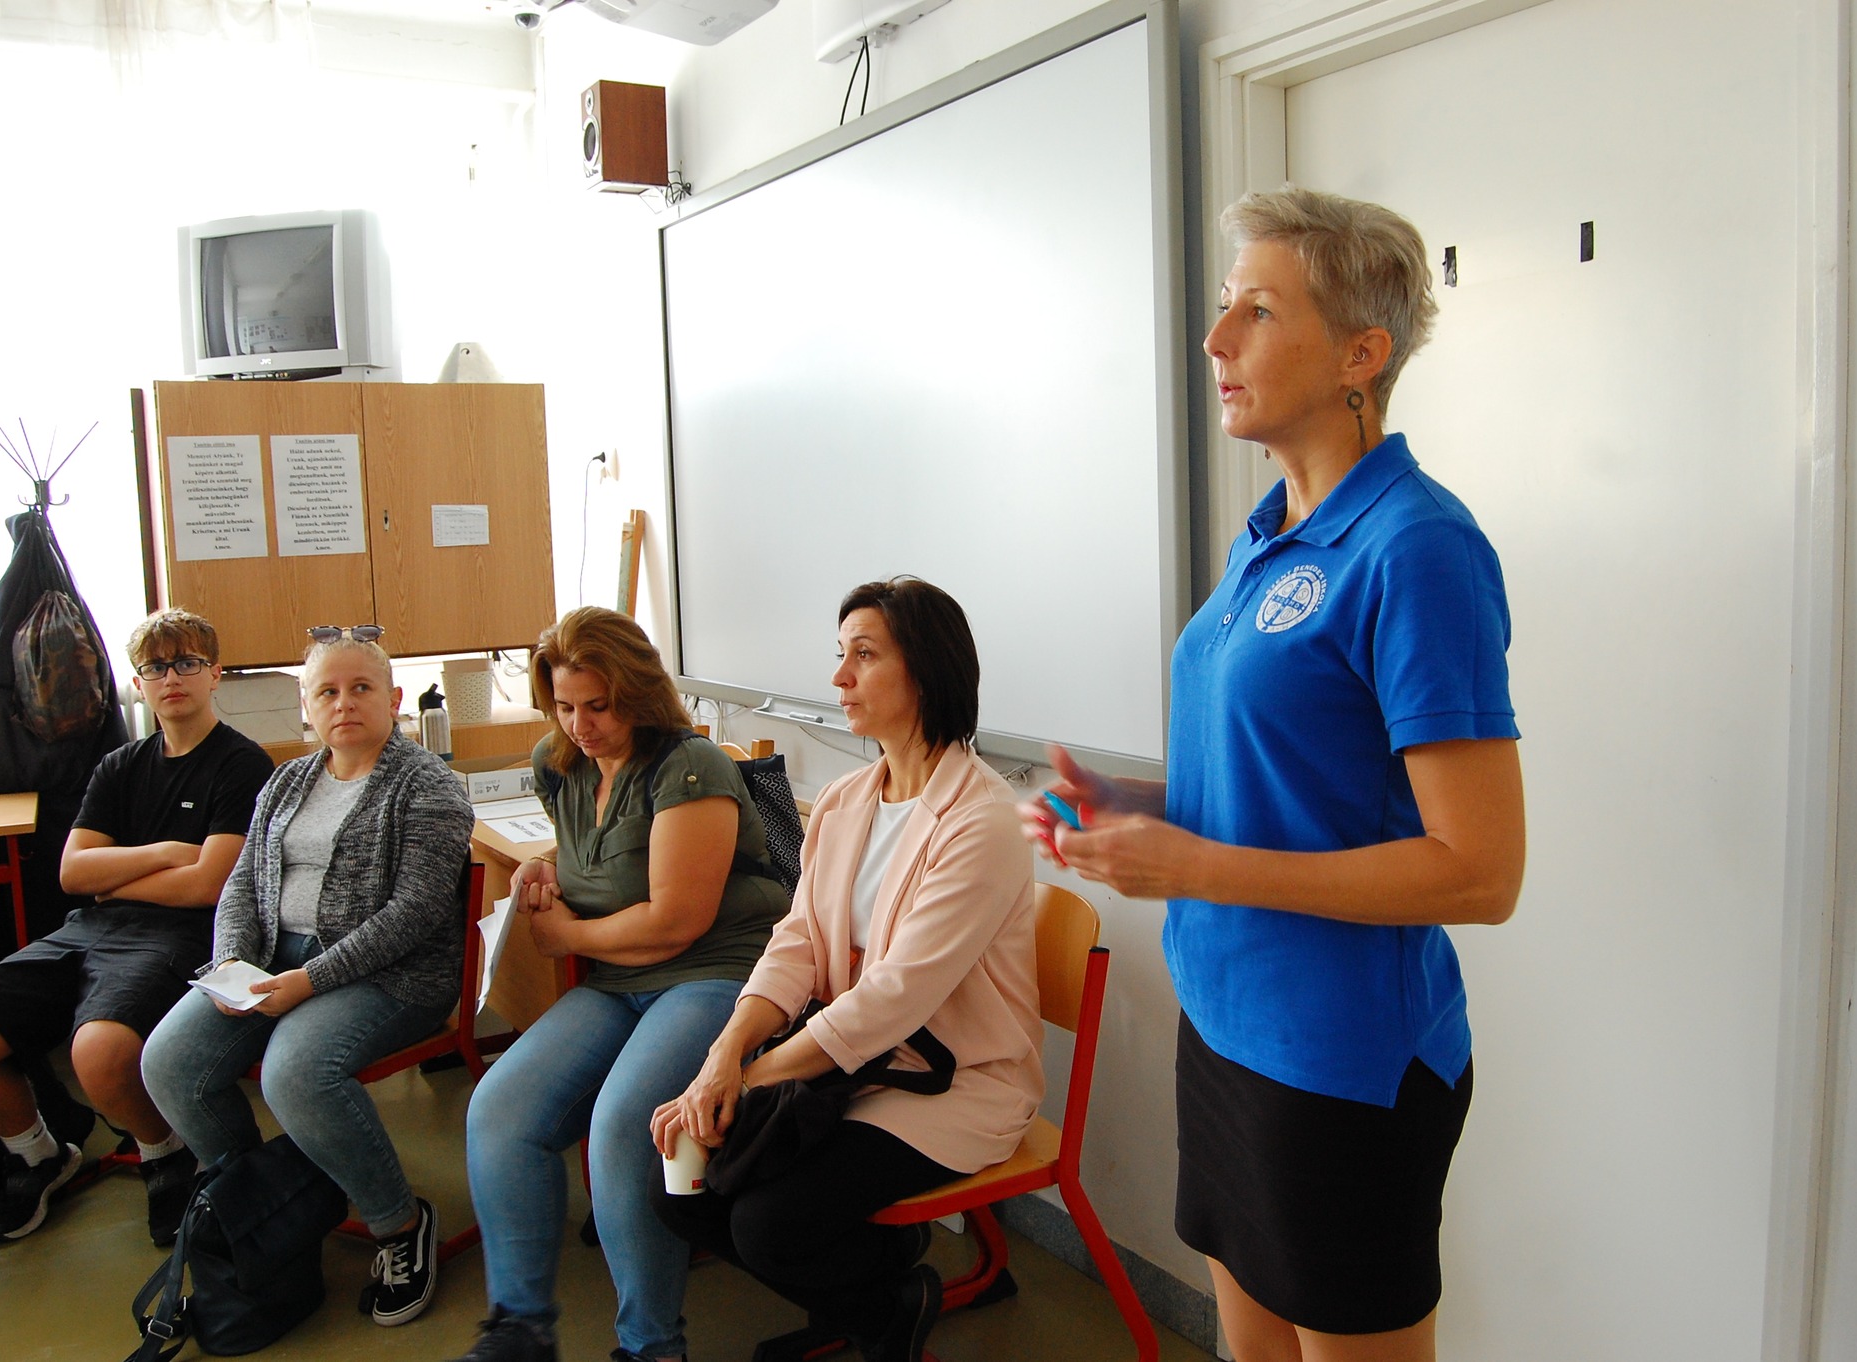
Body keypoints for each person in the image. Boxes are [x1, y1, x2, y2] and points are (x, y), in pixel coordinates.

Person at [1022, 186, 1526, 1362]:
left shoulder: (1416, 547)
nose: (1214, 340)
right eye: (1222, 306)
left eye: (1255, 311)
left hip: (1339, 1066)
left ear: (1360, 354)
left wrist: (1192, 864)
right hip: (1223, 1025)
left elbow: (1478, 872)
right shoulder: (1269, 533)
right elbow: (1293, 793)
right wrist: (1139, 815)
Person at [651, 578, 1041, 1362]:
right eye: (841, 654)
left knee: (767, 1222)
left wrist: (749, 1080)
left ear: (925, 673)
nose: (839, 677)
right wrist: (724, 1055)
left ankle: (882, 1305)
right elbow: (795, 942)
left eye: (863, 656)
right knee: (677, 1183)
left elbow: (893, 1000)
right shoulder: (843, 799)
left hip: (955, 1082)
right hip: (849, 1065)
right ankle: (878, 1285)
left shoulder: (983, 821)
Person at [450, 607, 789, 1362]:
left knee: (624, 1126)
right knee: (499, 1110)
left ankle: (651, 1346)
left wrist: (564, 936)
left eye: (598, 706)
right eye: (565, 706)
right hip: (618, 979)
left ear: (637, 693)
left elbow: (676, 921)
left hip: (714, 973)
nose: (581, 726)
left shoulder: (690, 766)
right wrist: (544, 865)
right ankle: (519, 1328)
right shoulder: (559, 763)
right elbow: (602, 857)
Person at [141, 629, 474, 1328]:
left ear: (393, 698)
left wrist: (310, 980)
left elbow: (414, 912)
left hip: (392, 976)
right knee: (169, 1061)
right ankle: (261, 1204)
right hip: (272, 961)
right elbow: (243, 881)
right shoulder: (288, 778)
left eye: (361, 688)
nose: (343, 703)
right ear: (308, 706)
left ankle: (398, 1223)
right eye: (327, 691)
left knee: (295, 1074)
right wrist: (231, 963)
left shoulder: (429, 785)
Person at [0, 608, 271, 1246]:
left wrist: (114, 877)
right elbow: (73, 873)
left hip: (183, 933)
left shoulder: (241, 764)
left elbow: (207, 886)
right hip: (90, 926)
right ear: (137, 684)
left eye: (187, 663)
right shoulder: (120, 765)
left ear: (214, 673)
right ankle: (38, 1154)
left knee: (99, 1054)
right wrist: (166, 852)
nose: (172, 678)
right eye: (156, 668)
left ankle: (163, 1153)